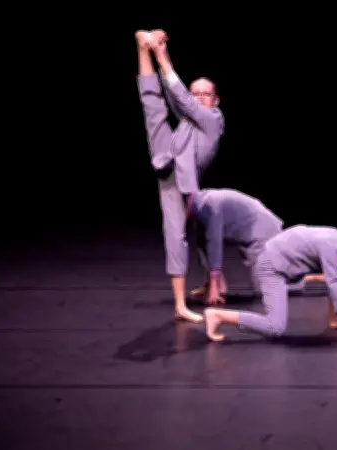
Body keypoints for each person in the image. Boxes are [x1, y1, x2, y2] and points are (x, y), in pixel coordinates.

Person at [135, 30, 225, 323]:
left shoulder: (213, 120)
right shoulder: (190, 114)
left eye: (205, 94)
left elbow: (182, 98)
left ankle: (208, 282)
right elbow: (177, 94)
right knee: (153, 107)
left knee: (192, 233)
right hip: (169, 167)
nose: (199, 98)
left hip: (181, 180)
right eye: (196, 92)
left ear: (216, 100)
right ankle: (141, 48)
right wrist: (156, 49)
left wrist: (162, 52)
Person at [203, 226, 337, 342]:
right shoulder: (331, 247)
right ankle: (218, 316)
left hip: (280, 262)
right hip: (272, 266)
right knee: (275, 327)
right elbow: (333, 283)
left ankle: (334, 319)